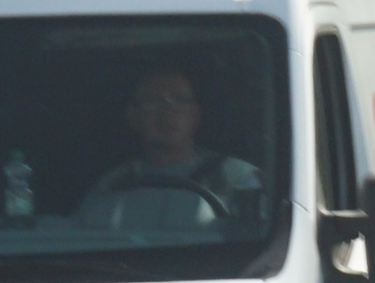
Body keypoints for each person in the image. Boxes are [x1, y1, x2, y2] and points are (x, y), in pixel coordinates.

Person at [83, 67, 262, 232]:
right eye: (152, 102)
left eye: (178, 101)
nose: (167, 112)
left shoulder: (239, 177)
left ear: (195, 114)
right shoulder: (113, 185)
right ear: (133, 117)